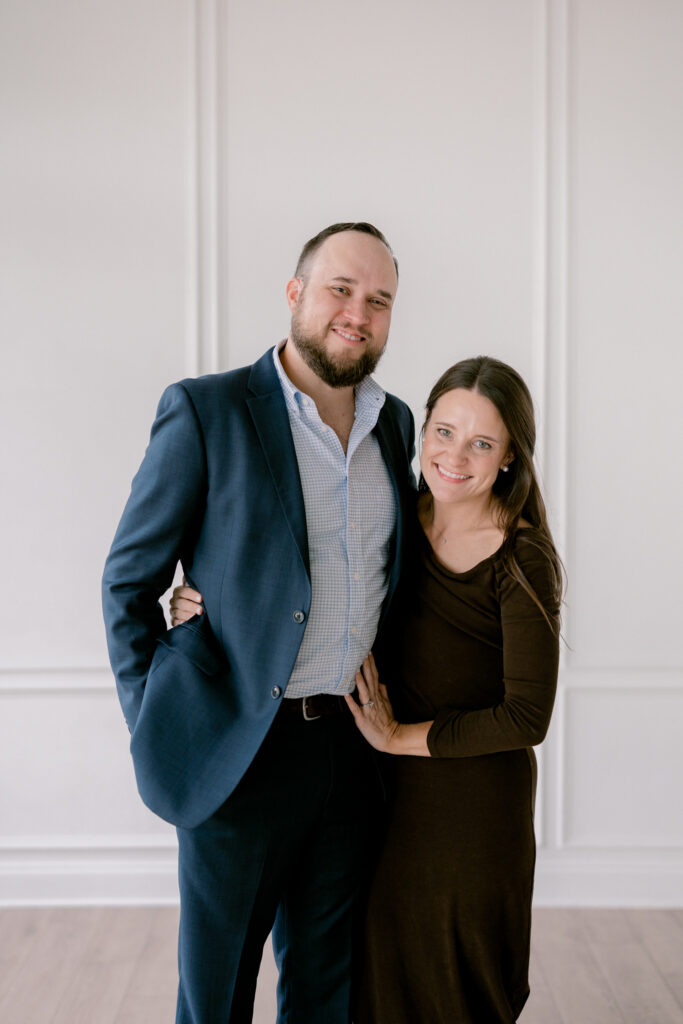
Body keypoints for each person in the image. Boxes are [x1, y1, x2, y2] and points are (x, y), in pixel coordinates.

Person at [173, 354, 562, 1023]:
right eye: (444, 431)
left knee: (459, 987)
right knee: (376, 985)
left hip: (471, 809)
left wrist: (397, 737)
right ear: (423, 430)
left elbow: (527, 715)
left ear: (508, 459)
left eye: (481, 444)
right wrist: (207, 607)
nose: (455, 456)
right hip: (385, 796)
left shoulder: (521, 556)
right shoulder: (403, 516)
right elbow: (320, 582)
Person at [102, 222, 416, 1024]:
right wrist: (161, 715)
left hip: (351, 750)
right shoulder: (206, 410)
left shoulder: (396, 424)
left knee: (326, 989)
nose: (357, 313)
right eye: (340, 290)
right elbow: (128, 582)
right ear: (295, 293)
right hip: (238, 749)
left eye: (378, 300)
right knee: (216, 997)